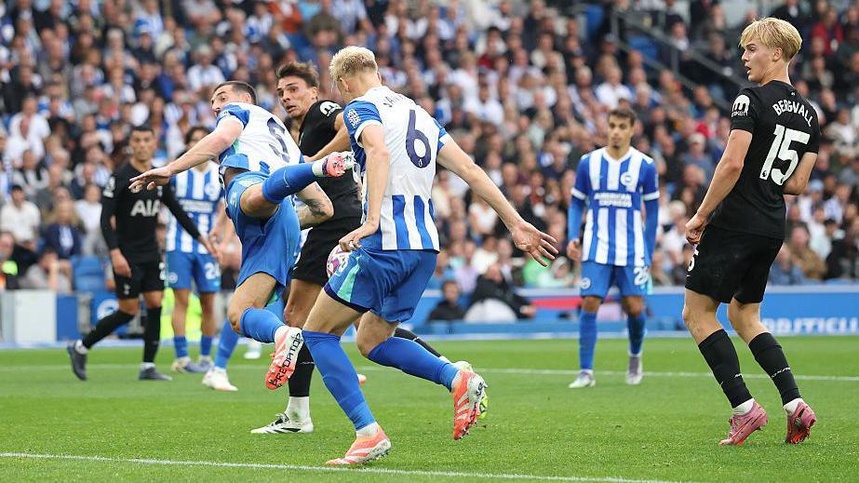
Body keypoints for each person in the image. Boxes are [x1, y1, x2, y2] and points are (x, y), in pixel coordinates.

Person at [273, 46, 557, 466]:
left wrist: (370, 222)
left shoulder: (359, 108)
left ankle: (368, 433)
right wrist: (514, 223)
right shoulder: (418, 114)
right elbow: (472, 171)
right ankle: (455, 376)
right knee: (371, 339)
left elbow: (379, 152)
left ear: (344, 83)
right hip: (424, 247)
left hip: (385, 242)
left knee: (317, 334)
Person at [251, 61, 471, 435]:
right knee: (365, 332)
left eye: (293, 89)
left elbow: (360, 136)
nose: (287, 97)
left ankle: (312, 418)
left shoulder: (329, 111)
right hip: (393, 233)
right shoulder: (308, 128)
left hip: (343, 222)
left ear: (322, 89)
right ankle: (451, 373)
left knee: (306, 321)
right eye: (282, 93)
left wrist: (315, 162)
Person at [128, 81, 351, 392]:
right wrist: (284, 220)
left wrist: (171, 168)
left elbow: (221, 139)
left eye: (221, 97)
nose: (216, 106)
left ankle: (314, 170)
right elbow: (323, 208)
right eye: (212, 101)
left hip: (254, 191)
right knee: (239, 314)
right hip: (279, 222)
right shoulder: (286, 140)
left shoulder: (240, 111)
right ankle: (284, 335)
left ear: (245, 98)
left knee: (253, 198)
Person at [682, 18, 819, 446]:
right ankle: (795, 405)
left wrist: (701, 214)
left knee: (697, 314)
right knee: (745, 315)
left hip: (737, 220)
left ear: (776, 53)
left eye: (752, 49)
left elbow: (732, 163)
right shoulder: (810, 115)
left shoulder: (750, 99)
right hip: (771, 225)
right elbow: (797, 184)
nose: (744, 58)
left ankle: (744, 408)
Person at [66, 125, 215, 382]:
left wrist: (203, 240)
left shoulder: (158, 175)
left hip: (150, 253)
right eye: (137, 140)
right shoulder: (120, 176)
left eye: (147, 140)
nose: (143, 144)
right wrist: (115, 253)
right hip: (126, 253)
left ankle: (148, 365)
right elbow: (105, 218)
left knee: (156, 303)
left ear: (154, 143)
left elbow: (177, 211)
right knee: (128, 309)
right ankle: (81, 346)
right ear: (130, 144)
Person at [566, 107, 659, 388]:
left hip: (631, 248)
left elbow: (653, 211)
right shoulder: (588, 163)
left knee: (634, 307)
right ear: (606, 128)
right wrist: (573, 236)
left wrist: (649, 249)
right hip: (596, 246)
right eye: (612, 126)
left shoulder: (645, 165)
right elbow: (576, 203)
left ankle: (634, 356)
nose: (616, 131)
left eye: (622, 126)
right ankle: (586, 372)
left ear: (632, 130)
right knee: (590, 301)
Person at [166, 126, 224, 374]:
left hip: (207, 248)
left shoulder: (218, 174)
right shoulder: (177, 172)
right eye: (194, 140)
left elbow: (226, 208)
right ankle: (181, 357)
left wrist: (221, 234)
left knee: (209, 302)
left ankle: (204, 357)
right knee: (181, 301)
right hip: (177, 244)